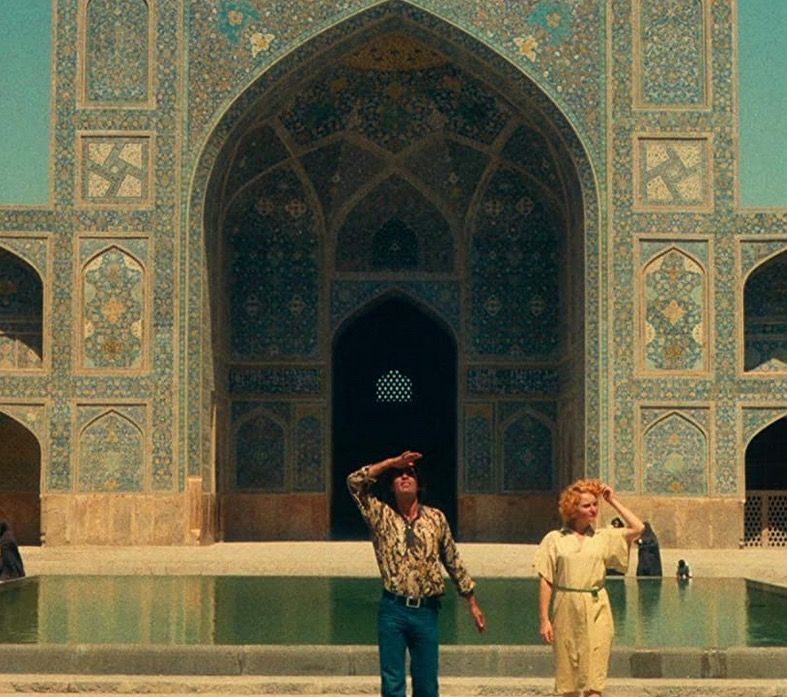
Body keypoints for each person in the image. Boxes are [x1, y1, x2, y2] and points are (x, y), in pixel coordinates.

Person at [347, 450, 485, 697]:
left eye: (410, 473)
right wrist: (392, 462)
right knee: (392, 683)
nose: (404, 477)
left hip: (426, 611)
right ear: (391, 486)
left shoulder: (435, 518)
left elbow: (452, 560)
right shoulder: (381, 516)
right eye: (399, 475)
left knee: (426, 684)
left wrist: (471, 601)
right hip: (393, 610)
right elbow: (354, 482)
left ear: (419, 484)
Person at [534, 479, 644, 697]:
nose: (593, 509)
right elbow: (546, 579)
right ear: (573, 509)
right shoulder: (555, 539)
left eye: (595, 504)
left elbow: (638, 528)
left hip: (597, 607)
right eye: (587, 506)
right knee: (569, 677)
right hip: (566, 605)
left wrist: (612, 501)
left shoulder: (604, 537)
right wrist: (544, 619)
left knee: (595, 676)